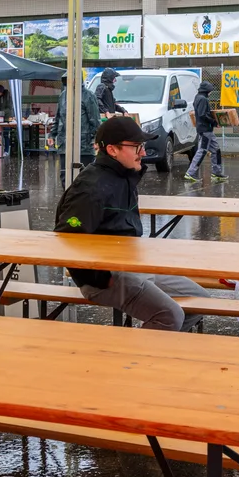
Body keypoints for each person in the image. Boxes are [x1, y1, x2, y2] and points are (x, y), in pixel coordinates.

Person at [54, 117, 213, 332]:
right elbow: (67, 241)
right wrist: (102, 278)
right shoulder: (90, 189)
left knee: (200, 300)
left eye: (143, 146)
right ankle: (135, 361)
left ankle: (151, 347)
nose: (144, 153)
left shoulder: (124, 176)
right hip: (103, 278)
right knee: (170, 315)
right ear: (112, 150)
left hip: (133, 266)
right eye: (137, 147)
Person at [49, 73, 100, 184]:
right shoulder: (63, 96)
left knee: (85, 177)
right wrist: (52, 134)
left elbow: (95, 120)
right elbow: (58, 117)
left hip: (84, 145)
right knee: (65, 177)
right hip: (65, 144)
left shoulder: (88, 96)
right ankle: (68, 200)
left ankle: (84, 200)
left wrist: (96, 139)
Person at [184, 81, 227, 183]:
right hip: (205, 129)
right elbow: (203, 115)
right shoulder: (203, 99)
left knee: (216, 150)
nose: (211, 92)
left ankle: (216, 172)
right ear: (207, 90)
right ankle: (190, 173)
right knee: (202, 150)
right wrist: (213, 122)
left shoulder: (198, 97)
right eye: (210, 90)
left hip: (205, 129)